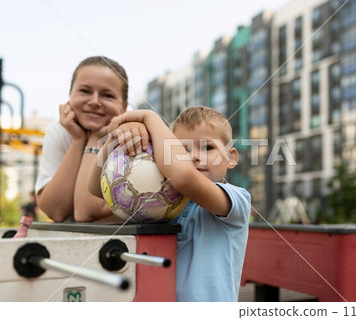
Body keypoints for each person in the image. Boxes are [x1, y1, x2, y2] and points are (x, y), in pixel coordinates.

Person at [89, 106, 251, 301]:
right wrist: (116, 140)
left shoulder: (236, 199)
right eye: (182, 149)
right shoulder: (164, 199)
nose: (194, 156)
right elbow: (96, 189)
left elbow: (183, 177)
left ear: (231, 157)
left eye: (208, 147)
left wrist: (149, 117)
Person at [35, 56, 148, 223]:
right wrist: (78, 140)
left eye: (107, 95)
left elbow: (88, 212)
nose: (94, 101)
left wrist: (97, 138)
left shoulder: (135, 135)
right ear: (69, 96)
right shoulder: (59, 131)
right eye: (85, 91)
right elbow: (55, 211)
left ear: (124, 106)